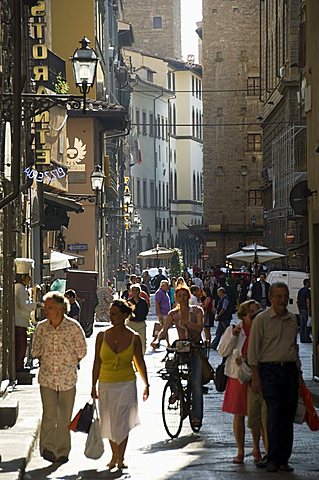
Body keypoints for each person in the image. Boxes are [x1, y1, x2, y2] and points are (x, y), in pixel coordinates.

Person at [248, 282, 302, 473]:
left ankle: (284, 459)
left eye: (284, 296)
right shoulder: (261, 320)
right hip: (269, 370)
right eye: (278, 296)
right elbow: (253, 350)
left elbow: (294, 347)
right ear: (270, 298)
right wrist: (256, 377)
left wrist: (299, 373)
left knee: (288, 415)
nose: (282, 300)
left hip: (289, 370)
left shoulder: (292, 320)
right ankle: (272, 457)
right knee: (273, 414)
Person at [91, 299, 149, 470]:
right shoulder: (101, 336)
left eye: (114, 314)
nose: (111, 317)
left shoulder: (134, 338)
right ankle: (114, 455)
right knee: (108, 420)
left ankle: (121, 457)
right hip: (106, 383)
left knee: (122, 421)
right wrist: (93, 385)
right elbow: (96, 362)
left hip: (126, 383)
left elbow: (140, 362)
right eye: (110, 314)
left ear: (125, 315)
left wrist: (147, 384)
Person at [32, 291, 87, 464]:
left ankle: (62, 451)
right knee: (49, 414)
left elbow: (82, 351)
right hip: (47, 379)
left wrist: (69, 363)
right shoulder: (41, 328)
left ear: (61, 309)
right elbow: (35, 351)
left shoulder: (73, 327)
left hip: (67, 380)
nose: (46, 311)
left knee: (64, 416)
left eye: (50, 308)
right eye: (45, 308)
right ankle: (47, 448)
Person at [151, 286, 204, 428]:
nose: (183, 298)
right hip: (181, 347)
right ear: (176, 298)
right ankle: (175, 390)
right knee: (170, 368)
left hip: (195, 348)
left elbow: (200, 327)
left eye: (185, 295)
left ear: (188, 296)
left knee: (196, 384)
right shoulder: (173, 314)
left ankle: (196, 416)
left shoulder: (197, 311)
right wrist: (157, 340)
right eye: (179, 296)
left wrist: (188, 324)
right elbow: (164, 329)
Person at [218, 300, 263, 464]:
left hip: (256, 375)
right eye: (250, 312)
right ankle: (240, 451)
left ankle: (257, 448)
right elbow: (222, 351)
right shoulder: (234, 329)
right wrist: (234, 336)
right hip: (238, 376)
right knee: (239, 415)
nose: (253, 315)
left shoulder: (261, 329)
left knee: (256, 414)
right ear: (243, 315)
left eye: (256, 311)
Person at [14, 258, 42, 372]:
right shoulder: (20, 288)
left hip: (20, 320)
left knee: (21, 344)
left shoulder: (19, 288)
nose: (29, 279)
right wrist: (36, 305)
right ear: (23, 277)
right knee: (21, 344)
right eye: (27, 276)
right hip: (19, 320)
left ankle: (19, 364)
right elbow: (23, 305)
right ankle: (19, 366)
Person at [126, 284, 149, 354]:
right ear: (131, 292)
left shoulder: (143, 301)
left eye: (137, 290)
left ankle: (141, 359)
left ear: (139, 292)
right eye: (133, 290)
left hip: (141, 324)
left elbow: (146, 311)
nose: (135, 292)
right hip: (131, 324)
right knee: (129, 343)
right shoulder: (128, 302)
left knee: (142, 343)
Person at [154, 280, 171, 345]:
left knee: (164, 329)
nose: (168, 287)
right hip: (163, 313)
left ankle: (155, 341)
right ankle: (168, 343)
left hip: (166, 313)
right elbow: (157, 303)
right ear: (162, 286)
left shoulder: (165, 292)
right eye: (167, 285)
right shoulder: (159, 293)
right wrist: (159, 313)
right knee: (164, 329)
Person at [297, 278, 312, 343]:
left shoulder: (300, 291)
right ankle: (306, 338)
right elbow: (308, 301)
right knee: (307, 324)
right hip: (305, 309)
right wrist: (309, 311)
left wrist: (299, 309)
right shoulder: (308, 291)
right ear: (307, 283)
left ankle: (302, 338)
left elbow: (297, 301)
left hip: (301, 309)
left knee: (302, 324)